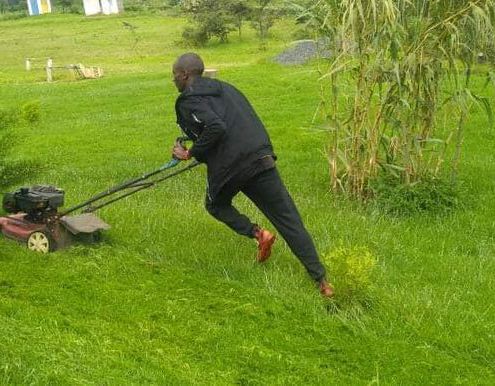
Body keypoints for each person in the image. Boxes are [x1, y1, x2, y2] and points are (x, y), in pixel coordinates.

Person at [170, 52, 334, 298]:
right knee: (289, 220)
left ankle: (258, 234)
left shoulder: (188, 99)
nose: (174, 81)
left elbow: (216, 126)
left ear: (184, 74)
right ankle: (322, 281)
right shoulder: (227, 89)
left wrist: (191, 153)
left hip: (232, 167)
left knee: (215, 204)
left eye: (174, 76)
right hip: (260, 157)